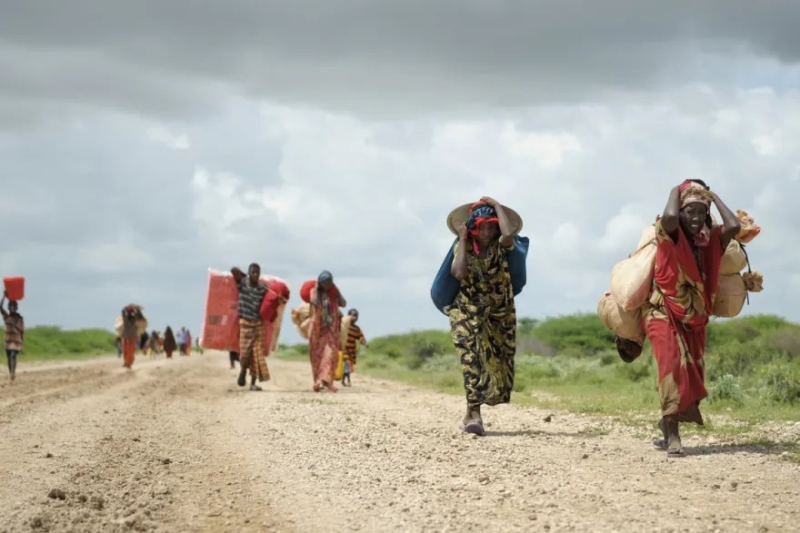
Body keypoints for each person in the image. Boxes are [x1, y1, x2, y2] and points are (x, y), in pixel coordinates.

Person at [624, 179, 740, 457]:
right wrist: (677, 191)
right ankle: (674, 435)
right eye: (691, 211)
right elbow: (671, 216)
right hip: (662, 309)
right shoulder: (669, 233)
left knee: (692, 373)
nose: (696, 218)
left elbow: (734, 226)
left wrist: (711, 196)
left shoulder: (711, 240)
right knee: (672, 367)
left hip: (695, 317)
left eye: (702, 212)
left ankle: (666, 422)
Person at [448, 197, 521, 436]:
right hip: (466, 310)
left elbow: (509, 236)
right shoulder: (464, 247)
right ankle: (476, 414)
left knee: (496, 359)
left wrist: (498, 205)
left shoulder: (502, 245)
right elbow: (458, 273)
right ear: (473, 227)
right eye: (482, 227)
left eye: (492, 226)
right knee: (471, 358)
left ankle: (470, 411)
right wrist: (462, 238)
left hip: (498, 312)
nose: (487, 232)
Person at [231, 263, 269, 391]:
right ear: (249, 273)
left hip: (258, 325)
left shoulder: (262, 289)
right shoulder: (242, 284)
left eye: (257, 273)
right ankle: (242, 371)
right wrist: (242, 275)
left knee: (256, 355)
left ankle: (253, 383)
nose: (255, 275)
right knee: (245, 354)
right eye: (253, 272)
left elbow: (269, 301)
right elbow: (234, 270)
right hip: (245, 325)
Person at [308, 270, 346, 392]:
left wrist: (336, 291)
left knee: (330, 355)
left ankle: (328, 382)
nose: (328, 284)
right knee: (317, 357)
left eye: (330, 282)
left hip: (331, 330)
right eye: (325, 282)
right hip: (317, 330)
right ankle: (318, 381)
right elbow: (314, 302)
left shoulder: (333, 293)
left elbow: (344, 303)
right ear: (320, 282)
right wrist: (318, 290)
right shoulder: (314, 292)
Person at [341, 308, 368, 387]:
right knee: (347, 365)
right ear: (348, 316)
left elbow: (360, 336)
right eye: (352, 315)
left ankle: (344, 380)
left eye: (355, 316)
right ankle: (348, 381)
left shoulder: (356, 329)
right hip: (344, 349)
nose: (354, 317)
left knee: (348, 366)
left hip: (352, 350)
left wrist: (365, 343)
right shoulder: (344, 325)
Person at [1, 292, 24, 382]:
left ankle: (12, 373)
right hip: (8, 340)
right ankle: (11, 372)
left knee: (13, 355)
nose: (12, 307)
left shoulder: (19, 318)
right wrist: (3, 296)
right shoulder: (6, 316)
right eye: (11, 306)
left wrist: (22, 343)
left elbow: (22, 331)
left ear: (16, 307)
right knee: (9, 357)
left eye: (14, 306)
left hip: (16, 341)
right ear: (9, 307)